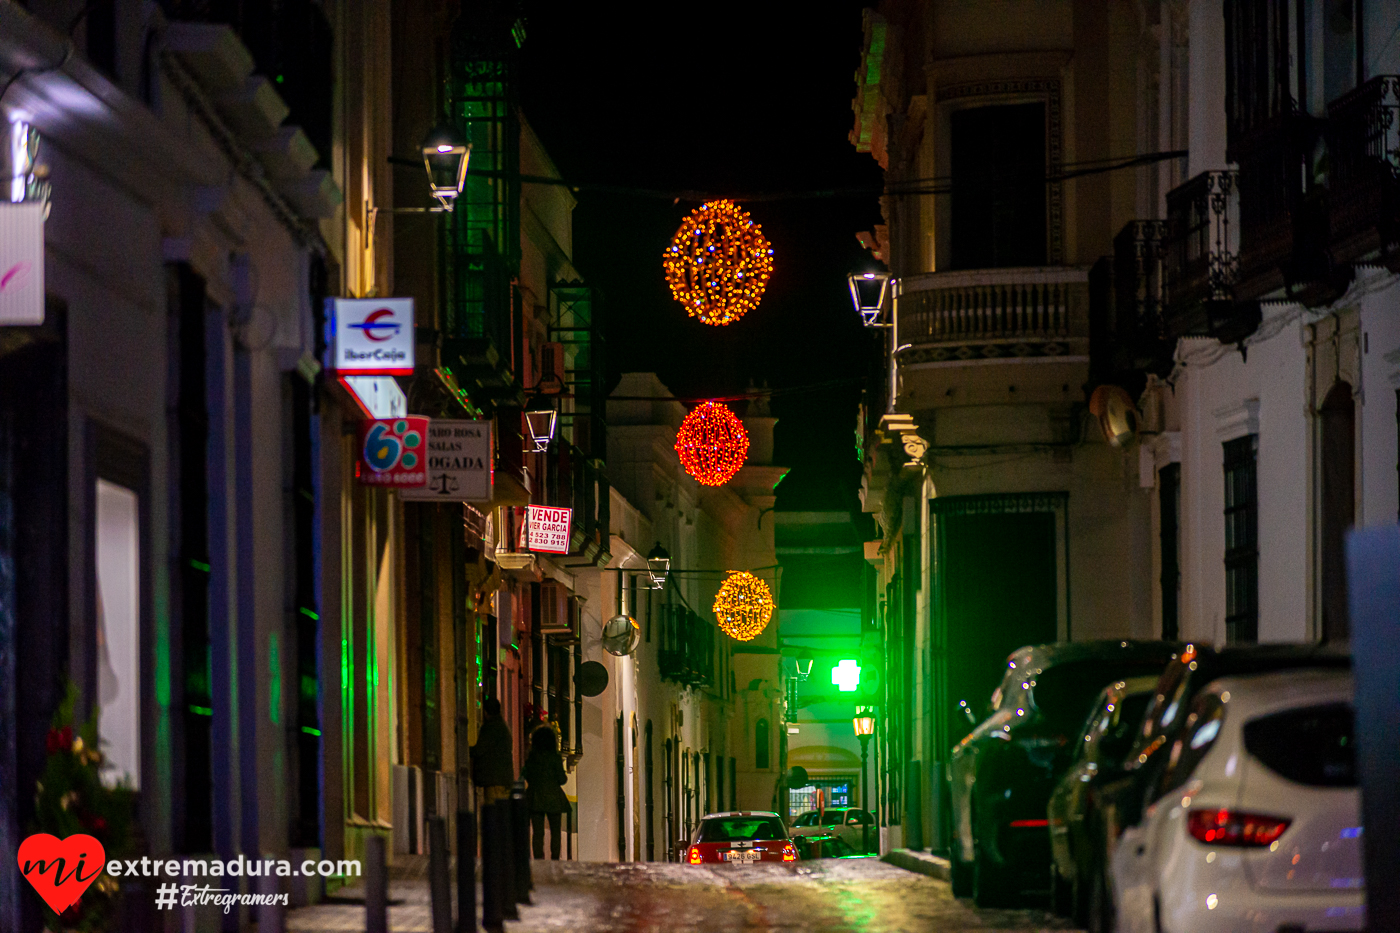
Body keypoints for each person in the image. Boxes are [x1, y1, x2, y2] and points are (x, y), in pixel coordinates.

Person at [523, 724, 569, 859]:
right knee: (556, 831)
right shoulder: (555, 758)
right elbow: (562, 779)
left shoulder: (532, 758)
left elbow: (527, 775)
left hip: (535, 797)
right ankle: (555, 859)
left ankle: (538, 859)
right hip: (554, 798)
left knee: (537, 832)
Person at [471, 697, 515, 806]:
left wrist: (466, 749)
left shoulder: (491, 728)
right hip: (504, 779)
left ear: (485, 712)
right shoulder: (503, 727)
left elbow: (479, 750)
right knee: (501, 813)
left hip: (494, 781)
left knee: (493, 813)